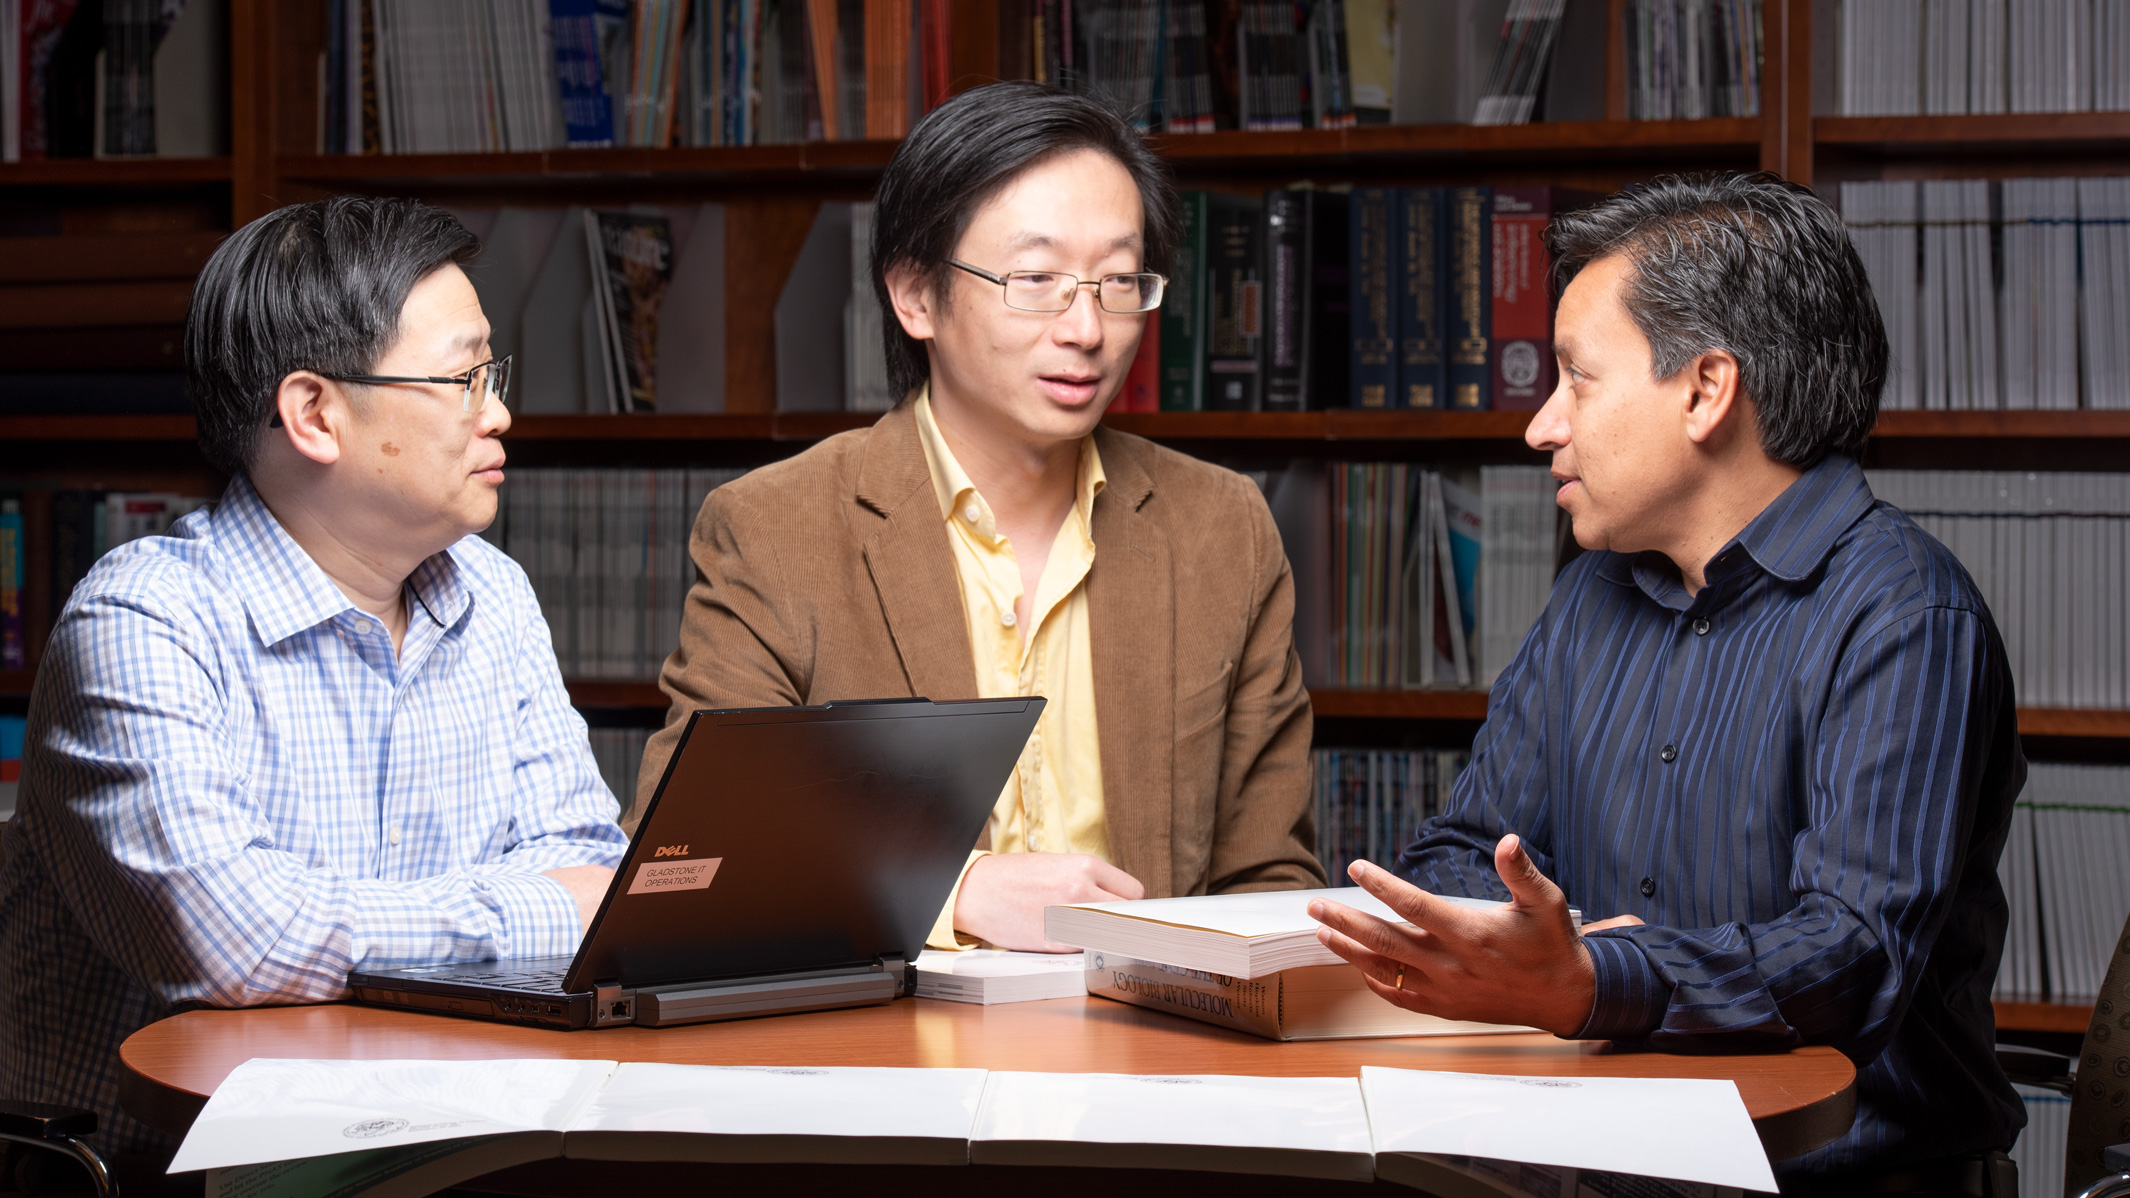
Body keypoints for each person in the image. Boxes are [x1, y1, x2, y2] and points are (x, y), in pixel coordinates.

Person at [1307, 174, 2026, 1193]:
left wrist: (1596, 978)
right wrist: (1482, 935)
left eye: (1577, 379)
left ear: (1705, 389)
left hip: (1846, 1177)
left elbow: (1852, 950)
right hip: (1598, 1160)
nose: (1540, 426)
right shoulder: (1592, 595)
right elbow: (1471, 849)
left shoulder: (1905, 612)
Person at [0, 197, 628, 1176]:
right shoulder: (144, 617)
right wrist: (533, 904)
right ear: (315, 413)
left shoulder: (490, 596)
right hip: (158, 1169)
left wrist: (344, 921)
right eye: (465, 378)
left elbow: (589, 859)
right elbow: (237, 936)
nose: (497, 411)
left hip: (434, 1146)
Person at [635, 81, 1324, 951]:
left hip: (1152, 1050)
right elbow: (685, 858)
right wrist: (952, 891)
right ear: (916, 296)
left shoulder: (1219, 527)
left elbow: (1267, 880)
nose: (1087, 328)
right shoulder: (777, 528)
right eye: (1035, 280)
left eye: (1118, 282)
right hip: (890, 1061)